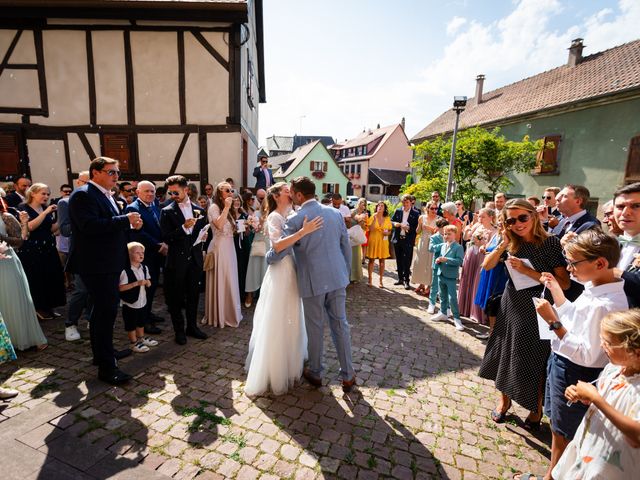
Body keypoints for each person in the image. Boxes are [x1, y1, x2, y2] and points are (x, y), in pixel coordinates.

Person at [533, 230, 628, 480]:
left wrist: (554, 323)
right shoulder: (594, 286)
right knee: (556, 424)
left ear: (599, 263)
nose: (568, 267)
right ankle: (552, 473)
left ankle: (554, 476)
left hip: (575, 371)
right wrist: (556, 291)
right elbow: (576, 318)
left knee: (565, 431)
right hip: (562, 362)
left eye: (573, 263)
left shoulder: (607, 305)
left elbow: (587, 354)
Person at [478, 199, 570, 429]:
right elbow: (486, 266)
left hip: (538, 306)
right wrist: (503, 243)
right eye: (511, 220)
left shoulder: (550, 243)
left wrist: (527, 271)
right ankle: (503, 403)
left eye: (522, 218)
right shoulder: (512, 242)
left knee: (532, 358)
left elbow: (564, 283)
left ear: (533, 216)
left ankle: (535, 411)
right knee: (504, 353)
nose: (517, 224)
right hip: (511, 304)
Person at [266, 176, 356, 392]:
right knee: (340, 325)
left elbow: (276, 255)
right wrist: (345, 273)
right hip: (337, 279)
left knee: (315, 328)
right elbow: (346, 246)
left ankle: (316, 372)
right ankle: (348, 375)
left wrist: (270, 256)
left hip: (312, 282)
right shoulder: (335, 213)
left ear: (298, 195)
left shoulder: (296, 219)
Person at [68, 157, 143, 385]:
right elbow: (89, 226)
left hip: (108, 263)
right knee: (104, 314)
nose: (116, 177)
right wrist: (124, 220)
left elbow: (111, 224)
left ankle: (103, 354)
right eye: (111, 172)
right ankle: (107, 368)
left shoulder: (105, 195)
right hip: (96, 265)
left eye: (117, 172)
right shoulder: (83, 195)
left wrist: (130, 224)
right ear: (96, 172)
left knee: (104, 314)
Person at [244, 182, 322, 396]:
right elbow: (278, 246)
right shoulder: (274, 218)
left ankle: (291, 362)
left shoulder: (294, 214)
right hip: (281, 270)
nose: (291, 194)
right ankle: (275, 368)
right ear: (277, 196)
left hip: (294, 269)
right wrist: (303, 232)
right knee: (278, 315)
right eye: (287, 192)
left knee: (294, 315)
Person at [551, 309, 640, 480]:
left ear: (634, 351)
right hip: (591, 449)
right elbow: (610, 401)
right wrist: (586, 398)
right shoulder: (614, 368)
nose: (601, 346)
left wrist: (596, 399)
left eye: (607, 342)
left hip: (614, 464)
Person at [160, 175, 209, 345]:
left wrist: (204, 236)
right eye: (170, 193)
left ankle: (192, 327)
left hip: (195, 260)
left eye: (176, 192)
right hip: (176, 261)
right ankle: (179, 330)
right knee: (176, 297)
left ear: (186, 190)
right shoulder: (166, 211)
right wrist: (182, 228)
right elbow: (165, 236)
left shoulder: (200, 210)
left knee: (194, 295)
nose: (173, 196)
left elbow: (203, 230)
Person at [0, 198, 47, 351]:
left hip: (7, 263)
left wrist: (2, 240)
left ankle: (27, 338)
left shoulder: (5, 217)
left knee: (14, 299)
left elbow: (19, 241)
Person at [17, 183, 66, 320]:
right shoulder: (23, 208)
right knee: (37, 278)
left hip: (48, 247)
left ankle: (49, 306)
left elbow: (51, 229)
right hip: (32, 249)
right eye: (43, 193)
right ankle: (38, 308)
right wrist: (45, 213)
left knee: (51, 276)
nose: (46, 196)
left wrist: (63, 219)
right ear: (33, 193)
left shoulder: (44, 208)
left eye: (48, 194)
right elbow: (30, 227)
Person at [125, 180, 167, 332]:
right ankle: (143, 322)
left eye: (152, 191)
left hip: (155, 255)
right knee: (145, 289)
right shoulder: (133, 208)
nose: (150, 194)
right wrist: (158, 245)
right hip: (144, 255)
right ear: (137, 192)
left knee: (152, 286)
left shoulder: (154, 206)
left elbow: (158, 227)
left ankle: (148, 314)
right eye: (146, 191)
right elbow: (138, 234)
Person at [58, 171, 92, 341]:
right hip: (80, 252)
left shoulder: (100, 199)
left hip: (99, 252)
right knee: (81, 290)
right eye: (85, 182)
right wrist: (86, 224)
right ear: (78, 183)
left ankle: (91, 318)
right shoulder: (65, 202)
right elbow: (64, 229)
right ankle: (70, 324)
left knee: (96, 290)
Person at [204, 181, 242, 328]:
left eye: (231, 190)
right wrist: (226, 207)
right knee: (222, 278)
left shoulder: (231, 208)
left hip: (230, 247)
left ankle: (229, 312)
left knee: (230, 278)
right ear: (219, 193)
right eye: (226, 190)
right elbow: (219, 225)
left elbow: (230, 229)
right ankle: (219, 315)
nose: (230, 193)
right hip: (219, 247)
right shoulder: (214, 207)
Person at [119, 242, 159, 353]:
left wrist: (148, 283)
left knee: (141, 320)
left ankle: (141, 338)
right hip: (130, 302)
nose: (141, 255)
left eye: (142, 253)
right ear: (129, 255)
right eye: (137, 253)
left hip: (142, 300)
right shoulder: (125, 271)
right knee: (131, 322)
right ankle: (133, 342)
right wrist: (136, 283)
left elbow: (148, 279)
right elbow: (120, 288)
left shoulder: (144, 268)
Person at [459, 208, 496, 322]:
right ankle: (463, 308)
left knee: (477, 282)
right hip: (471, 255)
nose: (480, 218)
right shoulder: (477, 226)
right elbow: (466, 238)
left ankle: (476, 312)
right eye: (479, 216)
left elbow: (491, 246)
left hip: (482, 256)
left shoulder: (494, 230)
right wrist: (467, 229)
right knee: (466, 280)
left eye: (483, 216)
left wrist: (482, 243)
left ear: (491, 217)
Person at [474, 218, 509, 338]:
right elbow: (489, 248)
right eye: (498, 220)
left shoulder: (509, 239)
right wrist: (484, 249)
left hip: (499, 273)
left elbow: (505, 257)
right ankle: (492, 331)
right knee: (489, 300)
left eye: (502, 221)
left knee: (495, 300)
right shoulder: (496, 235)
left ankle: (494, 333)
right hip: (489, 271)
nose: (499, 223)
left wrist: (494, 257)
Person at [430, 225, 465, 331]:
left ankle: (457, 319)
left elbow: (459, 261)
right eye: (445, 234)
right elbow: (435, 251)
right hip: (441, 274)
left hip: (451, 276)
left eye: (449, 234)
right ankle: (443, 313)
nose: (446, 236)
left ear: (455, 235)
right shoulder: (443, 245)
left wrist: (446, 259)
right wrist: (438, 260)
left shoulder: (458, 247)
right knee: (442, 295)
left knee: (452, 298)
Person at [612, 182, 640, 308]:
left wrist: (610, 272)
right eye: (620, 206)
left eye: (636, 206)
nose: (625, 212)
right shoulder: (613, 243)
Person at [244, 195, 269, 308]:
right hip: (258, 243)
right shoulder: (257, 214)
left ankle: (264, 297)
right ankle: (249, 294)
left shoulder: (274, 214)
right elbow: (256, 230)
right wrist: (259, 222)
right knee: (253, 269)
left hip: (269, 244)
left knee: (266, 270)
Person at [391, 195, 420, 289]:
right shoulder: (398, 211)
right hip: (398, 238)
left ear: (411, 202)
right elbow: (391, 221)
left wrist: (409, 228)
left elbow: (417, 228)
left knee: (407, 261)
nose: (405, 204)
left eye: (406, 202)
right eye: (403, 202)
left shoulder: (416, 213)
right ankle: (400, 279)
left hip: (408, 240)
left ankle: (406, 280)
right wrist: (395, 224)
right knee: (398, 260)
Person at [411, 202, 438, 295]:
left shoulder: (439, 219)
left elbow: (438, 233)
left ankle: (429, 286)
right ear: (428, 209)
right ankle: (421, 283)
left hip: (433, 242)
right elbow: (417, 231)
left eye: (436, 208)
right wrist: (420, 224)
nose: (434, 210)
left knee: (430, 263)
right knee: (420, 262)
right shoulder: (422, 217)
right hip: (423, 241)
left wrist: (429, 228)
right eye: (432, 209)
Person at [366, 201, 392, 288]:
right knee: (371, 260)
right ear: (376, 208)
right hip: (373, 240)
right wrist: (374, 219)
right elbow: (371, 229)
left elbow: (389, 230)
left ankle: (381, 280)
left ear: (384, 208)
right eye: (378, 206)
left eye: (382, 206)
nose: (380, 207)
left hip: (383, 241)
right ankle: (370, 279)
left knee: (382, 262)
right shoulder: (373, 217)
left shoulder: (387, 218)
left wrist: (387, 234)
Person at [426, 218, 449, 314]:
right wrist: (443, 244)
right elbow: (431, 248)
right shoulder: (434, 237)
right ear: (439, 228)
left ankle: (446, 307)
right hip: (437, 264)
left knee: (446, 287)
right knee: (434, 285)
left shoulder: (450, 237)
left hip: (447, 265)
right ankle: (431, 304)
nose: (444, 231)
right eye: (443, 228)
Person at [233, 193, 251, 299]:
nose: (236, 202)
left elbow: (248, 234)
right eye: (235, 200)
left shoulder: (245, 215)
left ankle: (242, 293)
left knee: (243, 267)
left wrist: (247, 228)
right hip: (232, 243)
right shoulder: (229, 215)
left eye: (238, 200)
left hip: (243, 245)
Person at [349, 198, 368, 283]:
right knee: (349, 256)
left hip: (357, 237)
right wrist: (358, 217)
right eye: (361, 203)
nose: (362, 205)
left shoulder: (365, 214)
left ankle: (354, 277)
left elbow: (364, 227)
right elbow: (348, 220)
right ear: (358, 203)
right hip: (349, 235)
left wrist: (362, 222)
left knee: (356, 257)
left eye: (364, 204)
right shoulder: (352, 211)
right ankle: (348, 276)